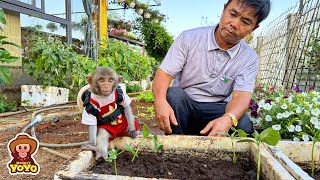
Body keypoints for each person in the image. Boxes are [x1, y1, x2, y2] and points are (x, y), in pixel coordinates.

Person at [152, 0, 271, 136]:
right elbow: (163, 75)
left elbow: (241, 97)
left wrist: (228, 118)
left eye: (246, 22)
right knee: (174, 95)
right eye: (232, 14)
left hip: (217, 110)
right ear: (224, 9)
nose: (234, 24)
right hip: (185, 106)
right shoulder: (189, 38)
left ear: (254, 28)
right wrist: (160, 101)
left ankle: (223, 154)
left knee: (242, 123)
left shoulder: (249, 58)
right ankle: (175, 149)